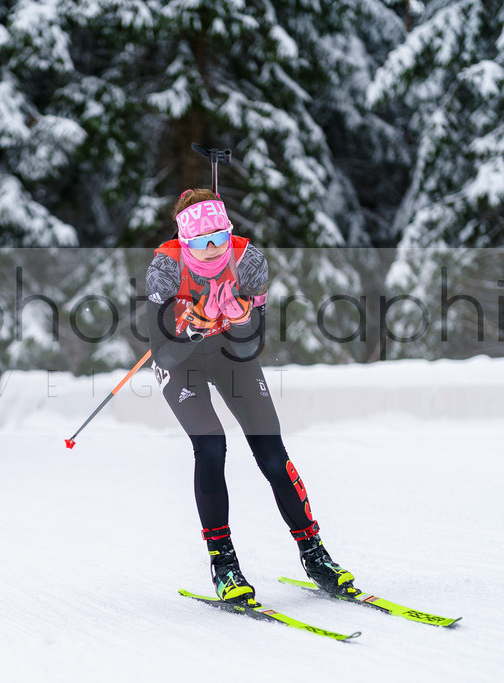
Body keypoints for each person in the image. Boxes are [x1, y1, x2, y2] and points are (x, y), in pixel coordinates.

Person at [145, 188, 356, 605]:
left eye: (219, 237)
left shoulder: (249, 261)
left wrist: (241, 320)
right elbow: (162, 350)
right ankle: (224, 564)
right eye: (200, 241)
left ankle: (315, 555)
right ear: (183, 240)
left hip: (229, 353)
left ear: (229, 231)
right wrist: (193, 327)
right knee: (211, 446)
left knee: (272, 453)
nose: (211, 249)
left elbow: (251, 345)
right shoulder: (165, 268)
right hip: (181, 360)